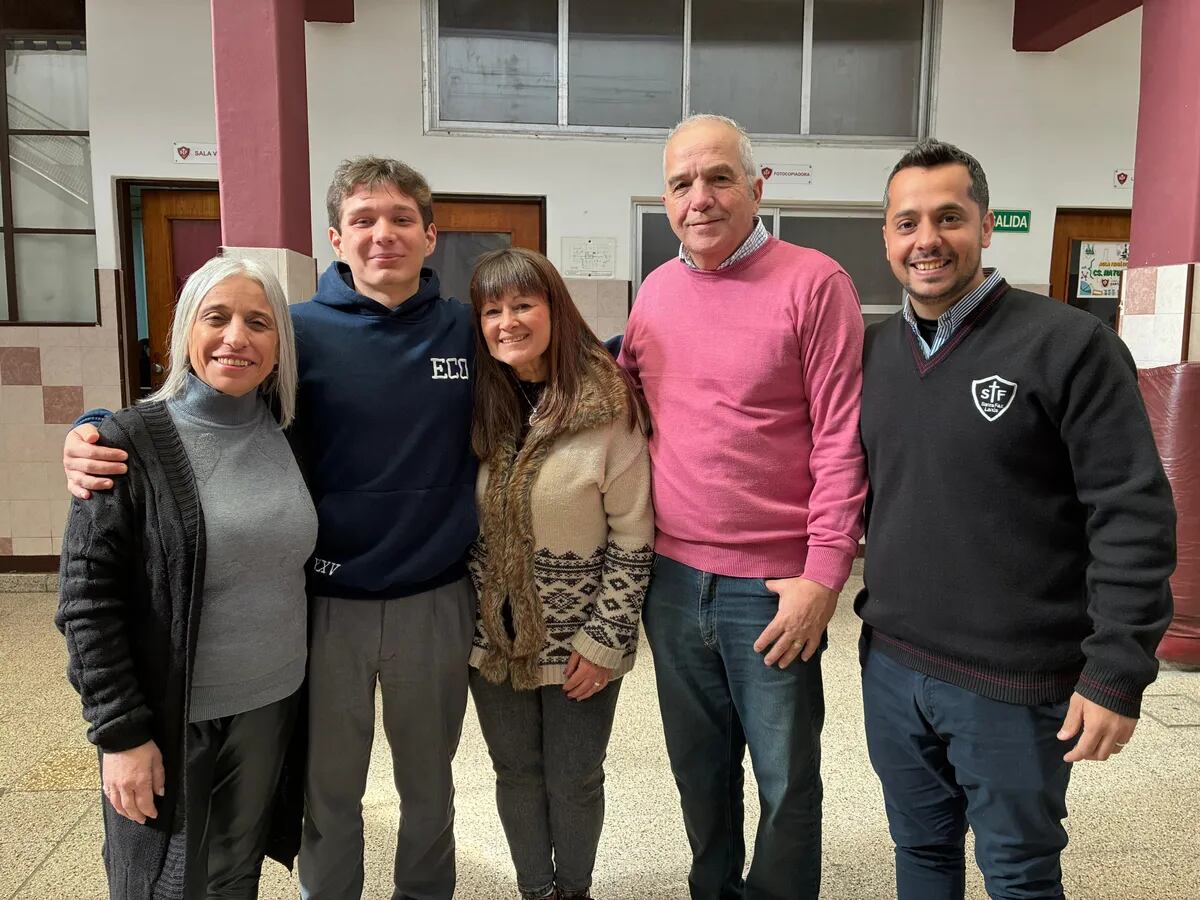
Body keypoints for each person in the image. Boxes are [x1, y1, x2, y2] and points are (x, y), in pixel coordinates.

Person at [62, 157, 477, 900]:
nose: (383, 234)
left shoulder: (467, 331)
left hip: (434, 599)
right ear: (335, 238)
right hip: (323, 605)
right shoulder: (298, 333)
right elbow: (199, 405)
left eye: (401, 219)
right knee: (328, 796)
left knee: (430, 790)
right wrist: (96, 430)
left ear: (430, 234)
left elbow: (561, 366)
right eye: (363, 220)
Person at [857, 138, 1177, 899]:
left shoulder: (1069, 345)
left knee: (1019, 873)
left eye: (948, 217)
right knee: (920, 852)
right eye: (906, 223)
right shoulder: (872, 353)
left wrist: (1116, 672)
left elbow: (1132, 514)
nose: (926, 239)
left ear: (986, 224)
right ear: (887, 237)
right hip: (894, 663)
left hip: (1014, 680)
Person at [618, 114, 868, 899]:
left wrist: (825, 577)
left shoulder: (815, 282)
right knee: (699, 770)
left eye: (719, 177)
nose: (701, 198)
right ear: (665, 200)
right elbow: (623, 407)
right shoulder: (657, 291)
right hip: (672, 576)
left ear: (758, 187)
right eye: (682, 183)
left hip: (772, 589)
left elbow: (841, 440)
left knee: (786, 779)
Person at [56, 256, 317, 900]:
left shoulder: (291, 433)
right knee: (166, 884)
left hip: (271, 704)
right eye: (217, 317)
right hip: (177, 719)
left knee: (234, 872)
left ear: (279, 343)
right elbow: (87, 603)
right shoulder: (125, 445)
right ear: (184, 333)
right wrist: (120, 735)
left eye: (259, 322)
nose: (237, 338)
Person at [464, 248, 654, 900]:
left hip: (581, 640)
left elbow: (634, 533)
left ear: (555, 310)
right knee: (515, 771)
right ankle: (535, 890)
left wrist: (605, 640)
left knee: (574, 777)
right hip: (493, 638)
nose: (508, 322)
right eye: (492, 310)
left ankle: (573, 890)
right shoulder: (479, 401)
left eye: (522, 305)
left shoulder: (606, 406)